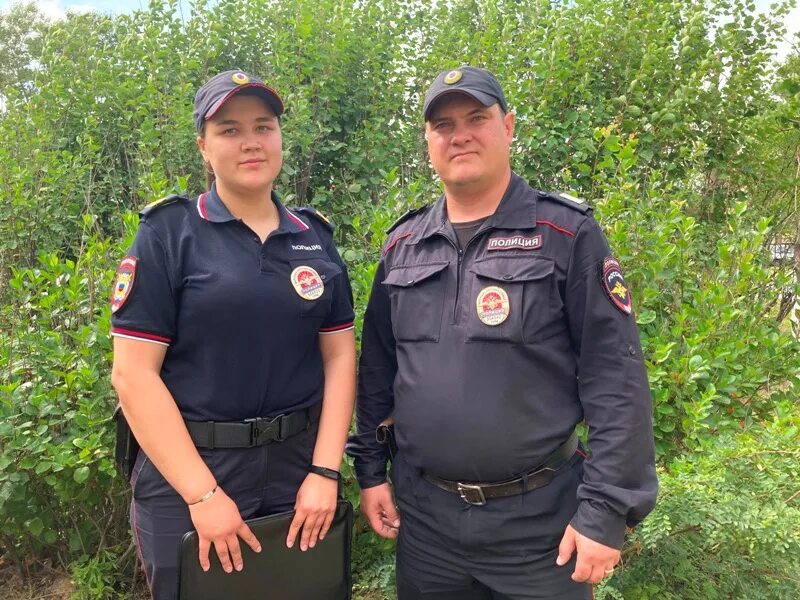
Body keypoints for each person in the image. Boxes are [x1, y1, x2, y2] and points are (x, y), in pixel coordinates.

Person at [347, 66, 658, 599]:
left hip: (540, 528)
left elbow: (615, 379)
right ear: (428, 142)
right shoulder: (402, 246)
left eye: (477, 118)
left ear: (509, 127)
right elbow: (378, 369)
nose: (459, 134)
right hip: (427, 525)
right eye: (442, 124)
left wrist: (606, 511)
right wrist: (371, 472)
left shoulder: (565, 234)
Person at [110, 70, 356, 600]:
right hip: (191, 475)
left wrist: (325, 471)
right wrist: (202, 497)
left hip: (298, 473)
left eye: (263, 126)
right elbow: (133, 374)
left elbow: (339, 359)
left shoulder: (314, 238)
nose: (250, 142)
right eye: (229, 129)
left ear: (280, 138)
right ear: (204, 146)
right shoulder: (168, 233)